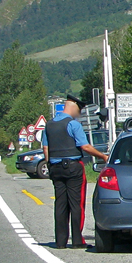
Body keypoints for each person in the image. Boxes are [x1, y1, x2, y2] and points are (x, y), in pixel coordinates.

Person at [43, 95, 109, 249]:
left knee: (60, 204)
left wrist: (50, 166)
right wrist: (103, 156)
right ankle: (77, 240)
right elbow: (85, 147)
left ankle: (60, 242)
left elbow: (46, 149)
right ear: (73, 107)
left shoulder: (49, 125)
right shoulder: (73, 125)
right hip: (72, 167)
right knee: (76, 204)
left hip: (55, 167)